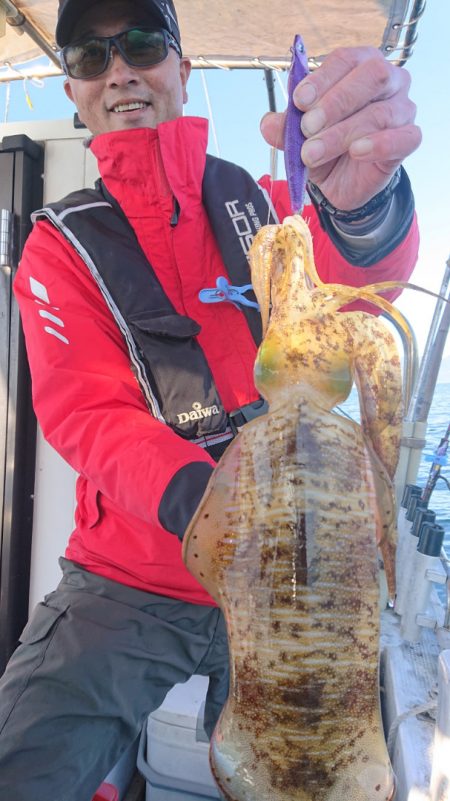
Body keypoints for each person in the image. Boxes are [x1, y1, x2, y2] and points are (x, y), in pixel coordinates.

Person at [0, 0, 421, 798]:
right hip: (131, 577)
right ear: (75, 90)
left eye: (144, 44)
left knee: (309, 767)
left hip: (294, 570)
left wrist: (362, 210)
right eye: (93, 58)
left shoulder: (270, 205)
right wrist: (219, 507)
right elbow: (88, 416)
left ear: (182, 69)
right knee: (23, 765)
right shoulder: (56, 247)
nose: (120, 69)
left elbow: (357, 302)